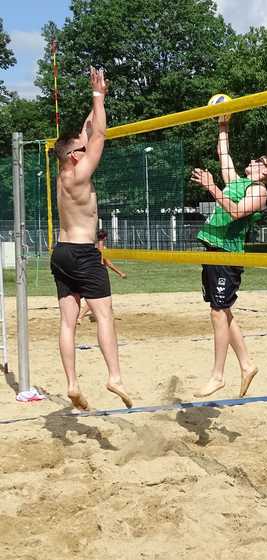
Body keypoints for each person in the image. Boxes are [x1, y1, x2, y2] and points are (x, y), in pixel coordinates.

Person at [51, 67, 131, 411]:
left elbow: (87, 131)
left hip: (61, 252)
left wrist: (98, 95)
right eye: (81, 150)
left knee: (68, 322)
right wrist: (98, 99)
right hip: (83, 253)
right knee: (104, 315)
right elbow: (98, 135)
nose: (86, 150)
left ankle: (71, 383)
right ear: (74, 156)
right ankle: (114, 375)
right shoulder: (81, 172)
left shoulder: (62, 174)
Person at [190, 117, 267, 398]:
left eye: (260, 161)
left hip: (227, 257)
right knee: (223, 311)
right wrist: (223, 127)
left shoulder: (259, 191)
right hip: (214, 252)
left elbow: (237, 212)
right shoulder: (238, 182)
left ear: (266, 173)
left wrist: (211, 187)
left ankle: (217, 376)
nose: (253, 161)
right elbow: (223, 154)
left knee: (218, 312)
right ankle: (247, 364)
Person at [77, 229, 127, 324]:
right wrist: (120, 272)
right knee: (97, 296)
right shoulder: (101, 247)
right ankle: (80, 316)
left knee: (98, 296)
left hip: (89, 271)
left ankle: (104, 314)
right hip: (98, 273)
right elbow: (107, 262)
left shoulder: (92, 246)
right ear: (105, 237)